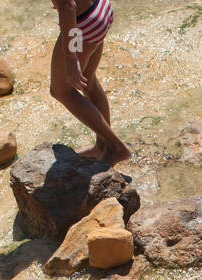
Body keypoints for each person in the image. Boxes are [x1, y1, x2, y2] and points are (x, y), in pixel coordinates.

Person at [49, 0, 130, 163]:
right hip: (99, 10)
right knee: (88, 80)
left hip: (81, 25)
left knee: (61, 91)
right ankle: (102, 146)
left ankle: (116, 148)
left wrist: (71, 58)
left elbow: (68, 7)